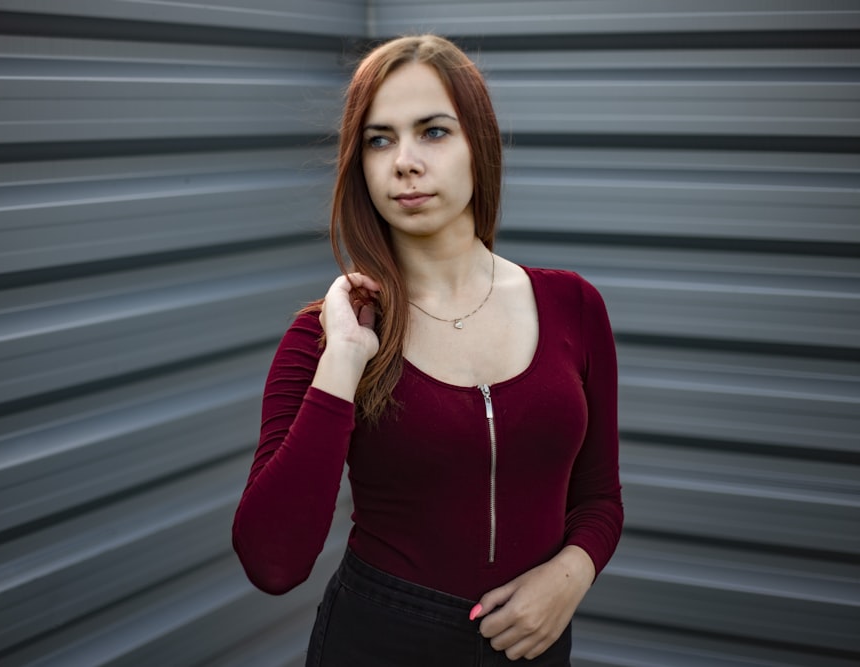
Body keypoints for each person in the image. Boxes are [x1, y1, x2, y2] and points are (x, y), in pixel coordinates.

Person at [232, 34, 623, 666]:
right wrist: (344, 361)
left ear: (480, 145)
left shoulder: (573, 306)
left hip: (534, 647)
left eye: (433, 132)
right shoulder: (325, 337)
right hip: (378, 639)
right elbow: (272, 560)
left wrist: (571, 574)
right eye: (379, 139)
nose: (404, 162)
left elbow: (600, 495)